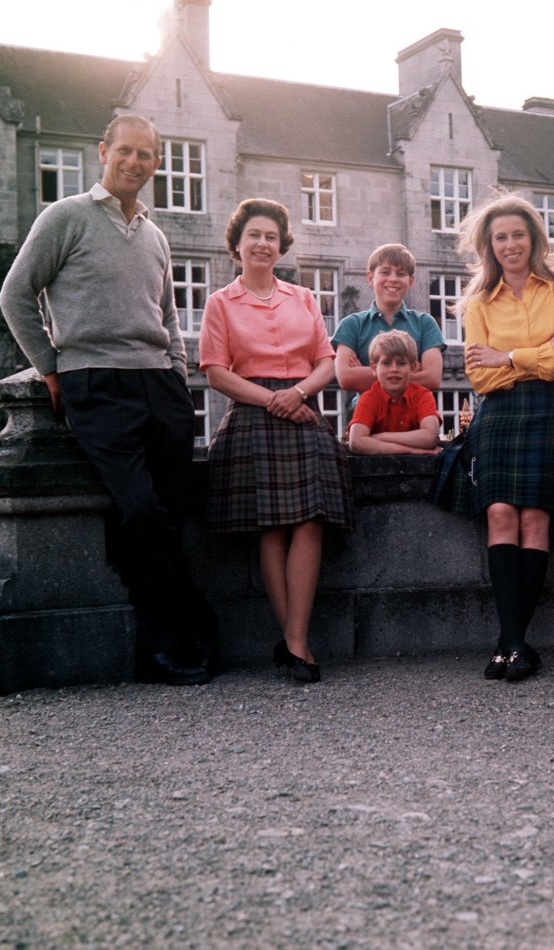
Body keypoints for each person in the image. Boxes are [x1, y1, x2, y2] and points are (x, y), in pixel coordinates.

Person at [0, 114, 215, 687]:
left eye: (146, 155)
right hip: (93, 380)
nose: (135, 162)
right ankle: (186, 628)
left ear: (156, 163)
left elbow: (168, 315)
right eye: (126, 151)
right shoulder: (65, 217)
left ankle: (156, 649)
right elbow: (15, 295)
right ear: (103, 152)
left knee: (166, 513)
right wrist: (50, 367)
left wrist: (175, 369)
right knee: (140, 509)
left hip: (159, 385)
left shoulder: (155, 233)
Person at [199, 198, 352, 685]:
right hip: (252, 414)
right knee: (272, 528)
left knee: (309, 523)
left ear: (281, 246)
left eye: (271, 237)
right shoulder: (221, 302)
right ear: (237, 246)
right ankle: (296, 644)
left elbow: (326, 360)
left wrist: (299, 392)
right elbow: (216, 373)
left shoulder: (303, 298)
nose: (263, 244)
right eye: (254, 236)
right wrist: (271, 401)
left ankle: (294, 640)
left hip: (302, 409)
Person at [439, 193, 554, 682]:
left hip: (551, 411)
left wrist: (508, 357)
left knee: (535, 519)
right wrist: (538, 352)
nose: (510, 244)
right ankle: (517, 642)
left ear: (534, 238)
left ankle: (510, 645)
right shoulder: (478, 301)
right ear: (489, 245)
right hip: (499, 413)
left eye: (518, 234)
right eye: (500, 237)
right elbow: (481, 379)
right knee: (501, 514)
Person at [332, 244, 446, 409]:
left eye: (401, 274)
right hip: (368, 419)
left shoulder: (425, 323)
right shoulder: (352, 325)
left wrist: (368, 372)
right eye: (385, 272)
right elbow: (345, 377)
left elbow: (432, 378)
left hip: (413, 419)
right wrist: (410, 372)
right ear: (370, 278)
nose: (393, 279)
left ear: (411, 280)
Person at [347, 330, 443, 456]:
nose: (394, 369)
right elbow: (356, 442)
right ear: (374, 368)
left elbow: (430, 437)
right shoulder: (368, 398)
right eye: (386, 363)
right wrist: (410, 451)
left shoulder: (422, 395)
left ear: (413, 368)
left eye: (401, 363)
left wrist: (379, 437)